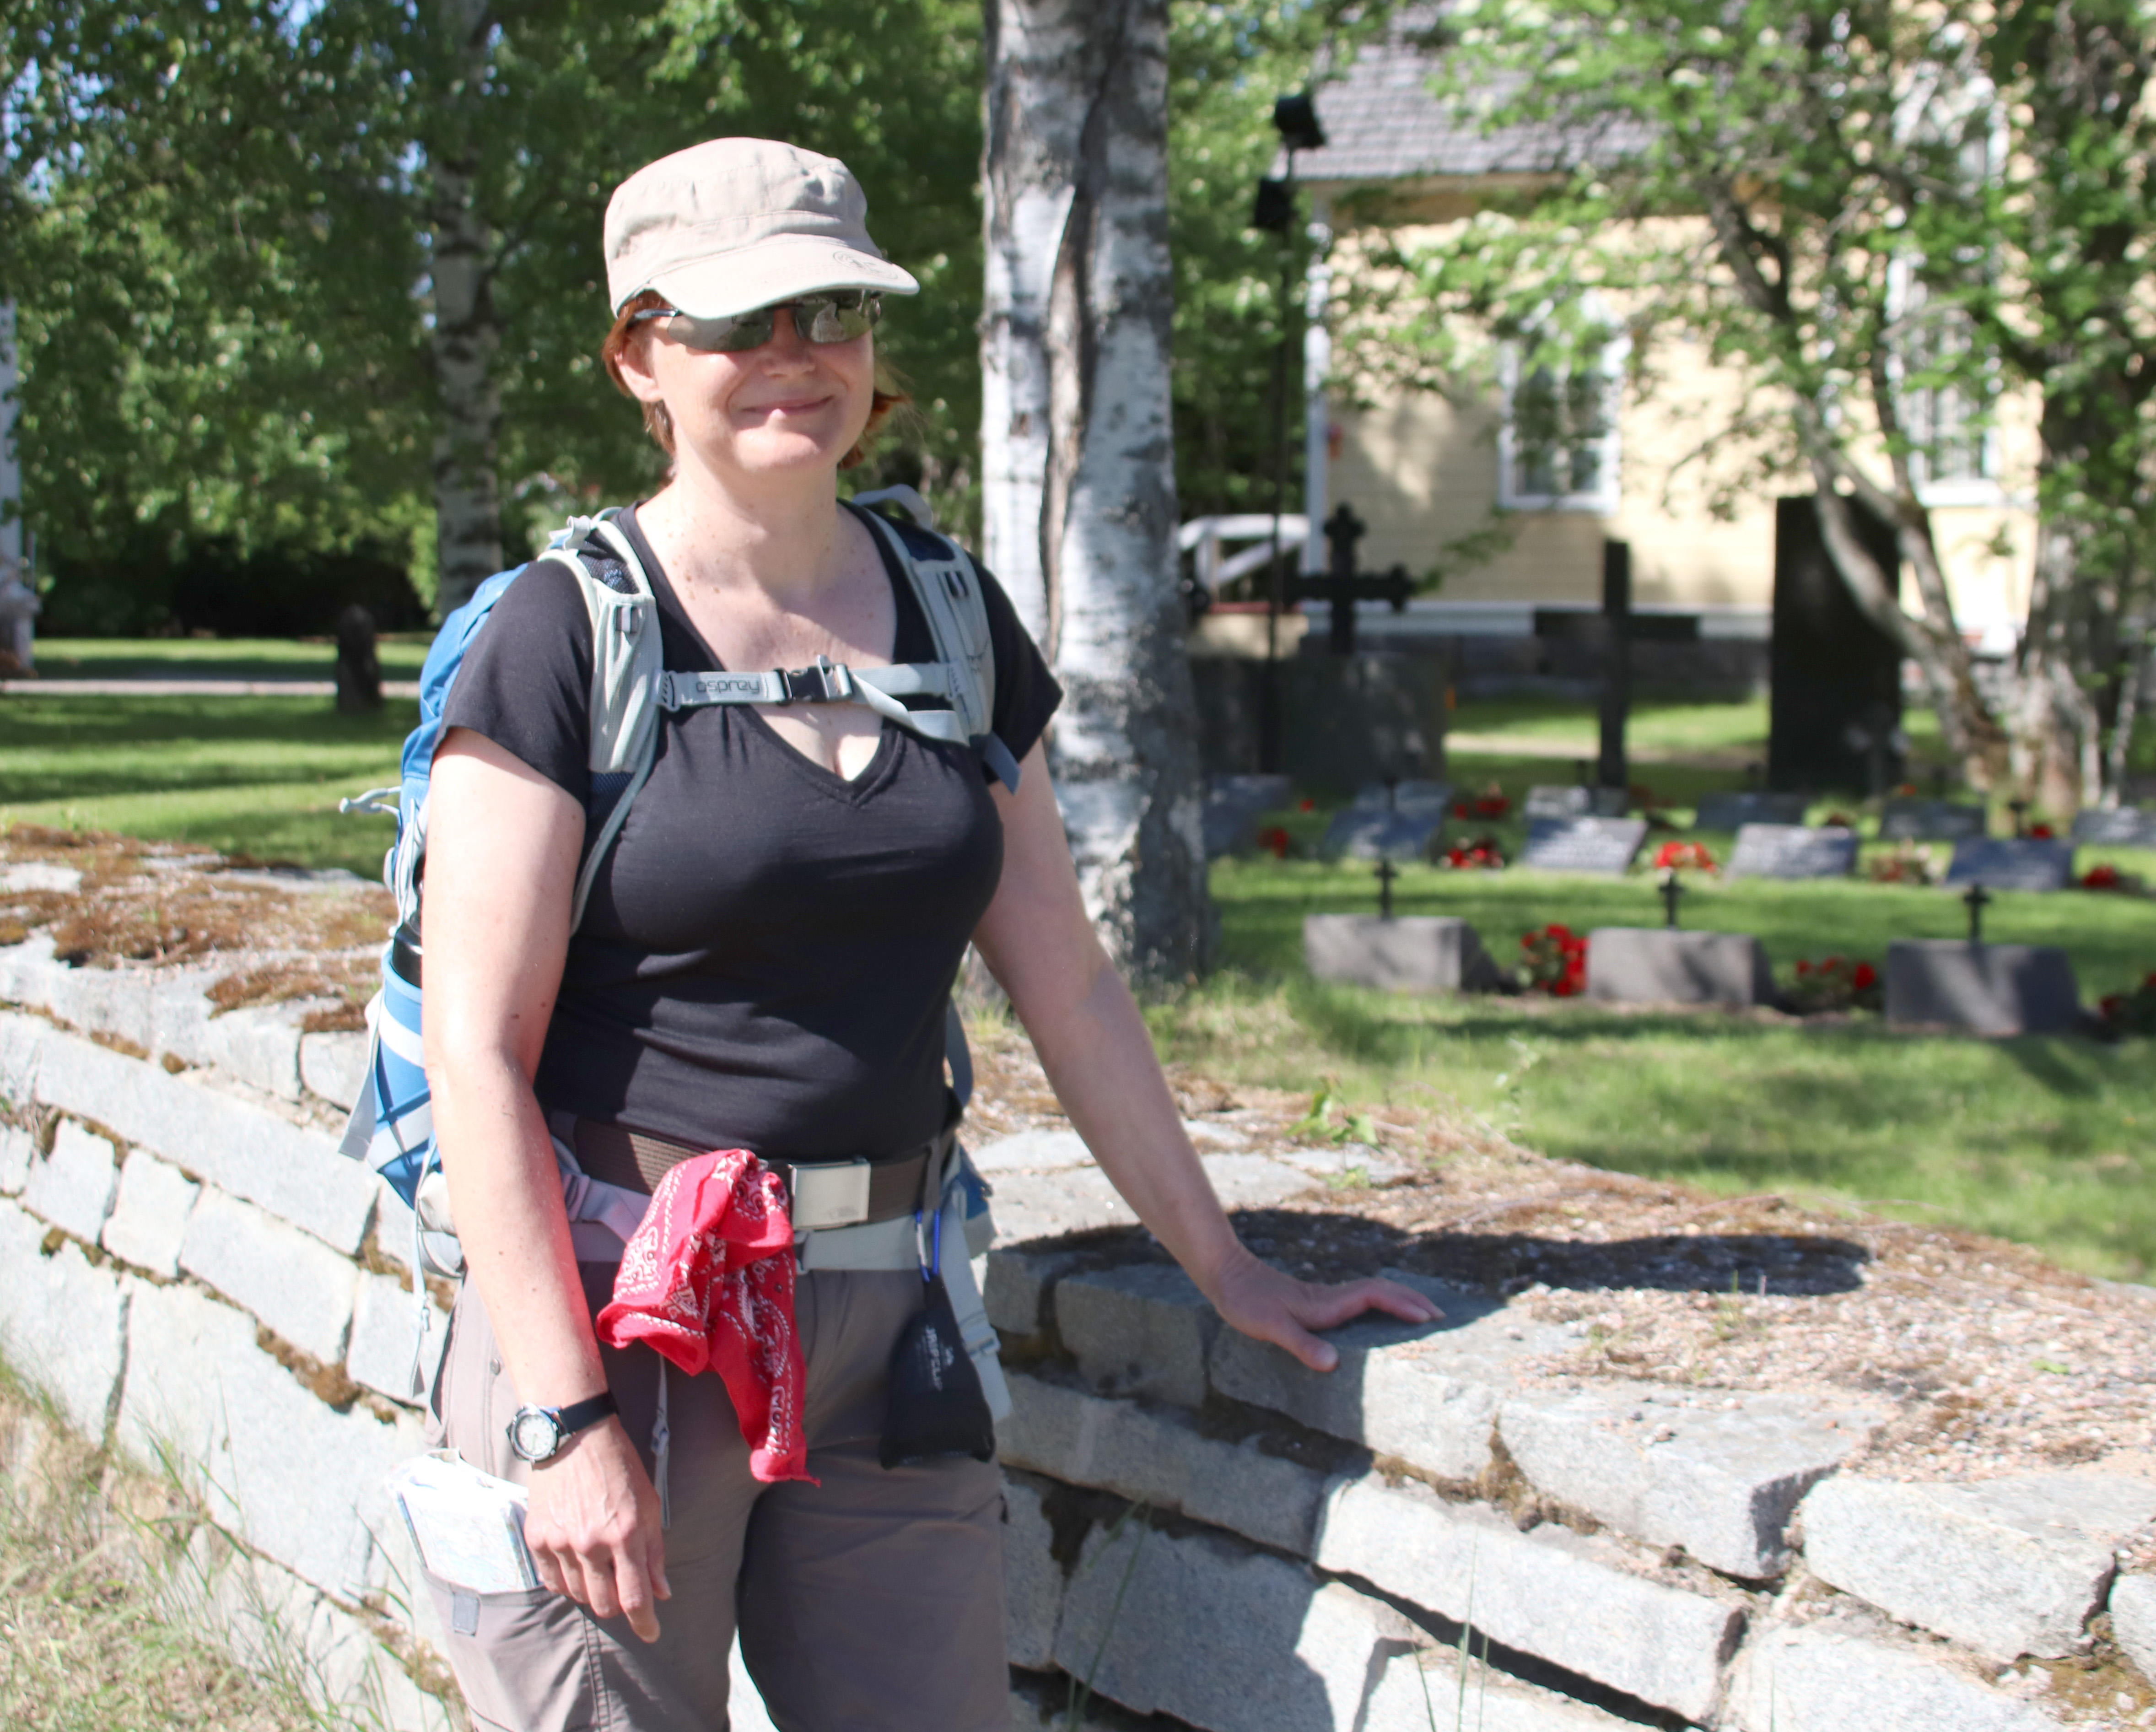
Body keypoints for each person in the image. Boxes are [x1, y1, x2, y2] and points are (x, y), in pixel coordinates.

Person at [418, 136, 1437, 1732]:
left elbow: (1071, 983)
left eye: (828, 313)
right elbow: (479, 1050)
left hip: (891, 1325)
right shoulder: (568, 632)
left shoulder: (951, 609)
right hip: (632, 1320)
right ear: (638, 356)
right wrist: (562, 1420)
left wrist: (1224, 1263)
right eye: (736, 324)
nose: (792, 359)